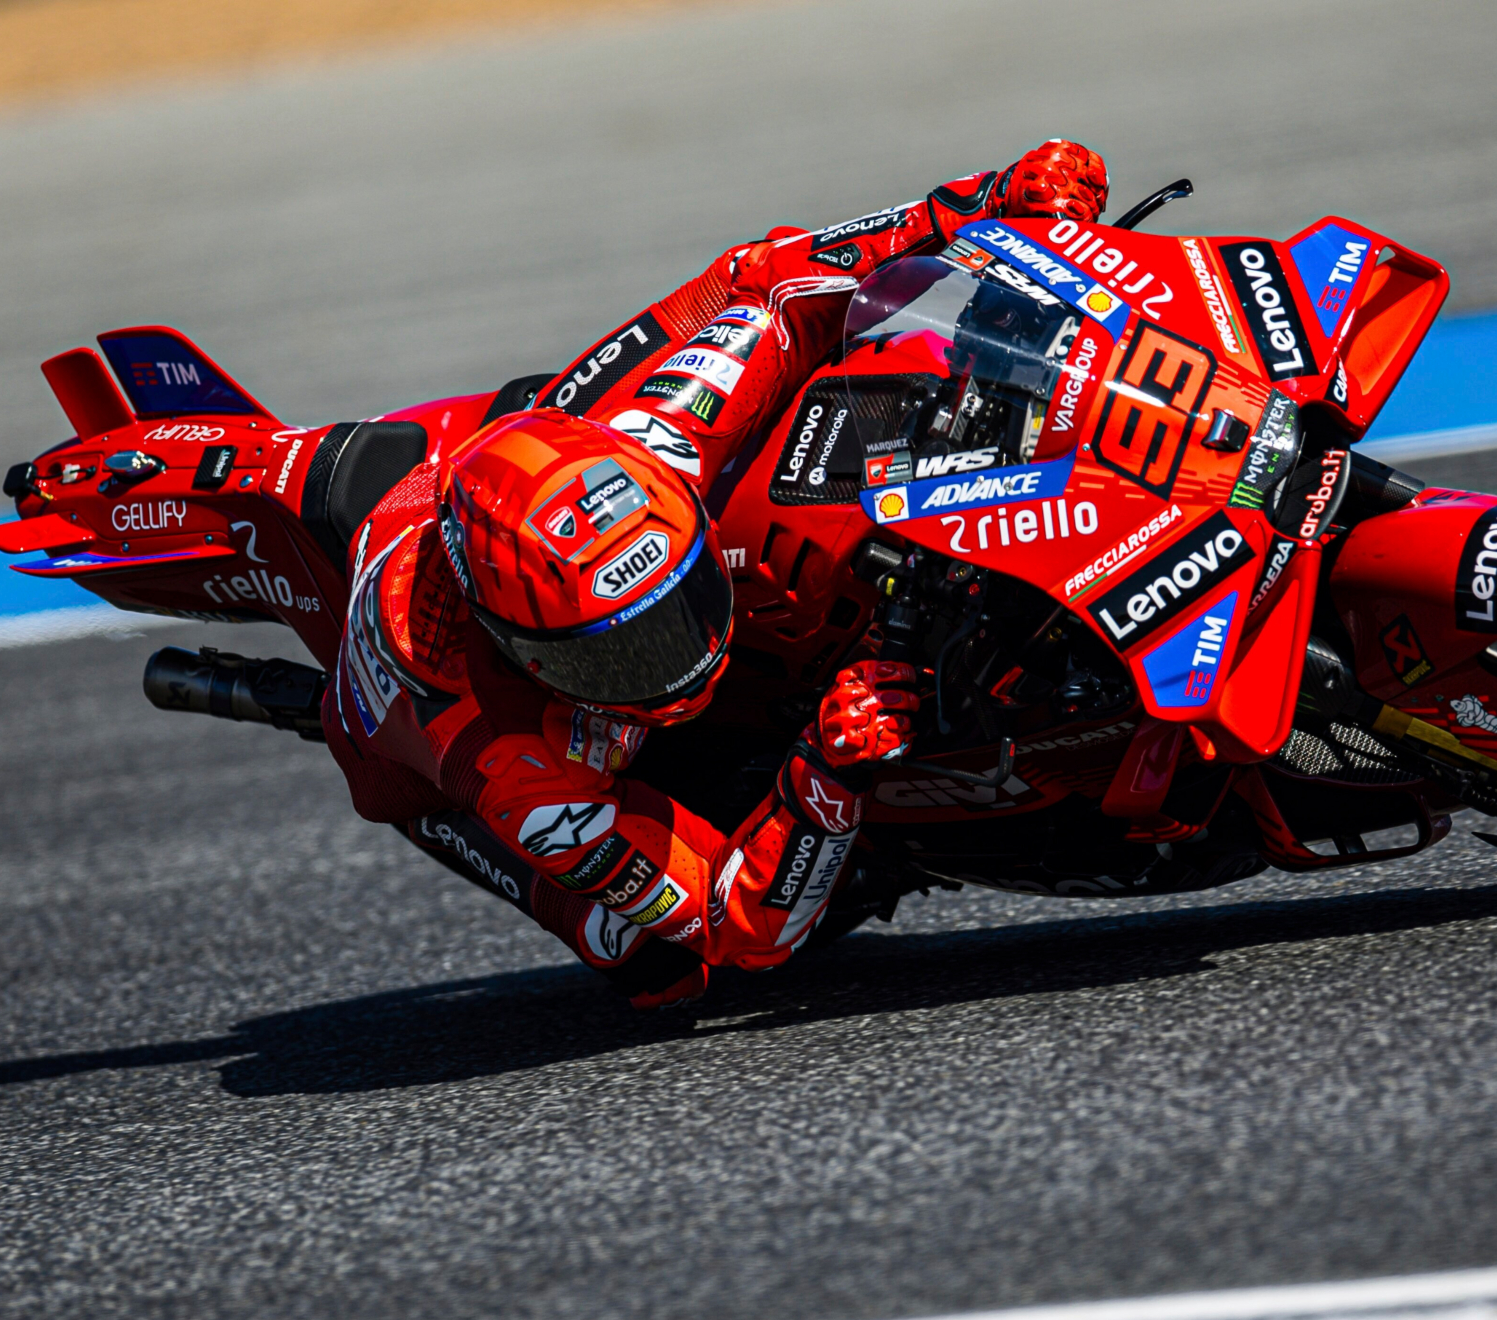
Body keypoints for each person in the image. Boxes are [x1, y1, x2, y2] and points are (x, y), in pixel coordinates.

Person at [322, 141, 1111, 1008]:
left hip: (502, 447)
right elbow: (735, 923)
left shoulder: (664, 434)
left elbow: (771, 277)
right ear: (527, 655)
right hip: (411, 753)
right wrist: (825, 774)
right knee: (655, 963)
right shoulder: (516, 771)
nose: (684, 659)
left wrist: (986, 198)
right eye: (622, 654)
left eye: (679, 604)